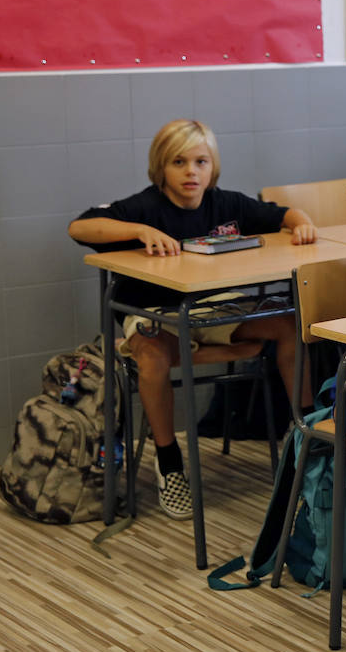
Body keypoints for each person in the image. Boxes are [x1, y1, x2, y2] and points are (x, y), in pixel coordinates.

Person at [68, 119, 317, 520]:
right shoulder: (146, 206)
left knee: (288, 324)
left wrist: (301, 223)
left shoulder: (227, 204)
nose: (191, 172)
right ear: (160, 167)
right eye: (179, 162)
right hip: (155, 316)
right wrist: (138, 230)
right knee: (151, 357)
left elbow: (287, 214)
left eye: (200, 162)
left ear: (212, 166)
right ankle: (168, 460)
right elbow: (79, 226)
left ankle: (305, 431)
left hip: (212, 311)